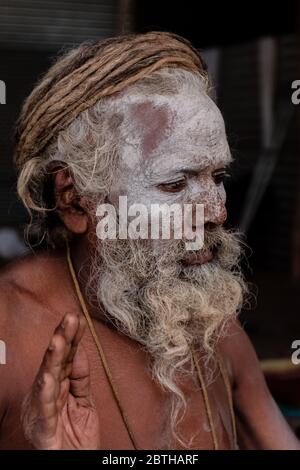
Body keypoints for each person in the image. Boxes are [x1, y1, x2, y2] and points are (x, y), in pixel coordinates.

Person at [0, 32, 298, 450]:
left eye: (219, 178)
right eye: (176, 184)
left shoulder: (213, 324)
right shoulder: (10, 331)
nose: (217, 213)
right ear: (75, 201)